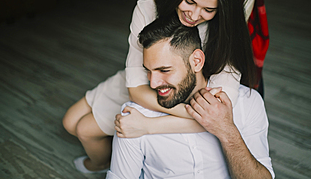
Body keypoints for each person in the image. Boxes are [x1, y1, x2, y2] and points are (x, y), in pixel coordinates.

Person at [62, 0, 256, 173]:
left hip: (182, 96)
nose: (193, 16)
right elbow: (136, 89)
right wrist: (199, 117)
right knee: (69, 122)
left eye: (208, 9)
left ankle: (102, 164)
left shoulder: (227, 31)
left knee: (85, 129)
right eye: (189, 1)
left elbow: (221, 112)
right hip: (146, 86)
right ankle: (107, 158)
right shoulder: (147, 8)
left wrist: (149, 126)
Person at [107, 16, 274, 178]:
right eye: (148, 71)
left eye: (164, 70)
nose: (153, 84)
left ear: (196, 61)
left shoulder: (248, 103)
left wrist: (227, 131)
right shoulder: (134, 118)